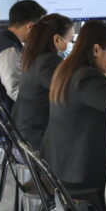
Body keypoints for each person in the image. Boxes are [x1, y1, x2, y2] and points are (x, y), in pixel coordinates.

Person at [42, 20, 106, 197]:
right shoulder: (87, 78)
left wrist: (104, 76)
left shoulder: (67, 68)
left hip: (59, 162)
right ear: (96, 50)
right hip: (79, 172)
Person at [0, 0, 46, 140]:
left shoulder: (3, 41)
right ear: (30, 26)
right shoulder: (7, 49)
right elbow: (17, 91)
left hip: (0, 118)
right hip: (3, 125)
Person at [12, 13, 73, 150]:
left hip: (24, 132)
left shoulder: (35, 57)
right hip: (36, 139)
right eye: (70, 40)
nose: (71, 45)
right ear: (57, 39)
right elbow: (70, 92)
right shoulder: (48, 62)